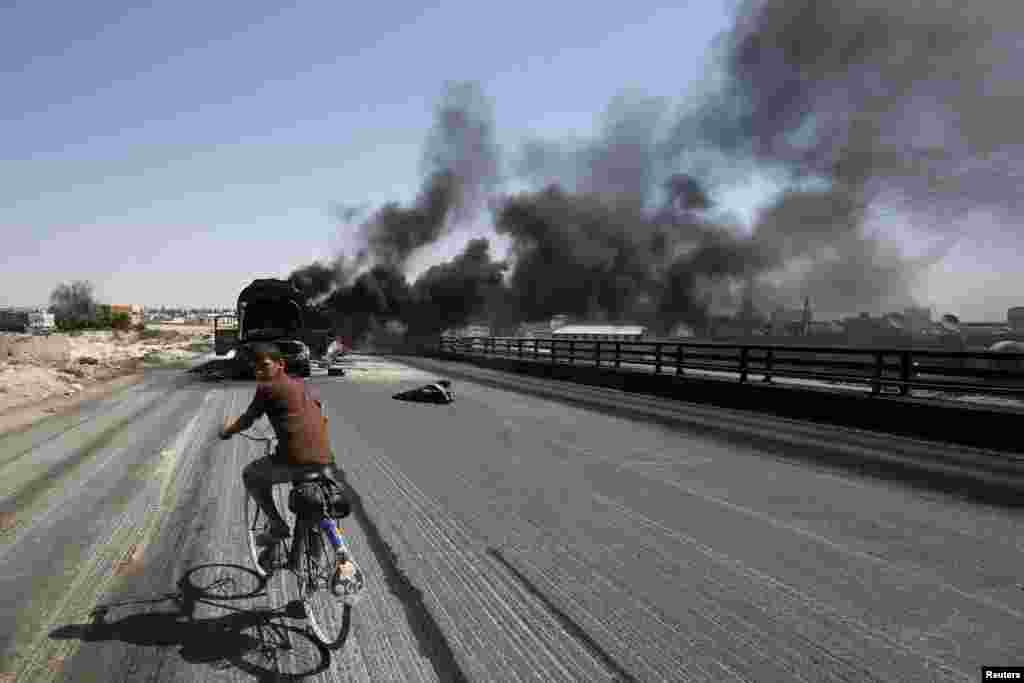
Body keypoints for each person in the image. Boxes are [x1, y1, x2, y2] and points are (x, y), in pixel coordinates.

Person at [219, 342, 358, 594]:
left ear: (280, 364)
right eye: (256, 368)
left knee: (251, 474)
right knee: (314, 509)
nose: (259, 372)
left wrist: (227, 430)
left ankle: (277, 524)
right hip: (325, 460)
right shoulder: (304, 386)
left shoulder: (267, 388)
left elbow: (248, 420)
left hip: (295, 460)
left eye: (264, 365)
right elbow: (320, 415)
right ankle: (310, 574)